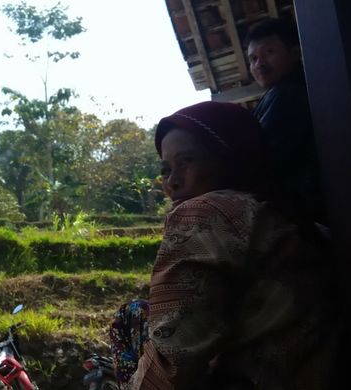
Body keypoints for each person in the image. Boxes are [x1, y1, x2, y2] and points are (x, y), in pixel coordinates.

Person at [108, 101, 336, 389]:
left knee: (128, 318)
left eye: (188, 161)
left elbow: (173, 365)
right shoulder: (293, 218)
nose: (173, 182)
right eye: (166, 170)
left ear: (229, 158)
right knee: (139, 311)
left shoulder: (206, 213)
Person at [246, 18, 325, 224]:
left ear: (295, 52)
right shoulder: (288, 91)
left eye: (269, 53)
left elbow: (260, 161)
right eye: (253, 59)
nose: (259, 64)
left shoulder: (287, 94)